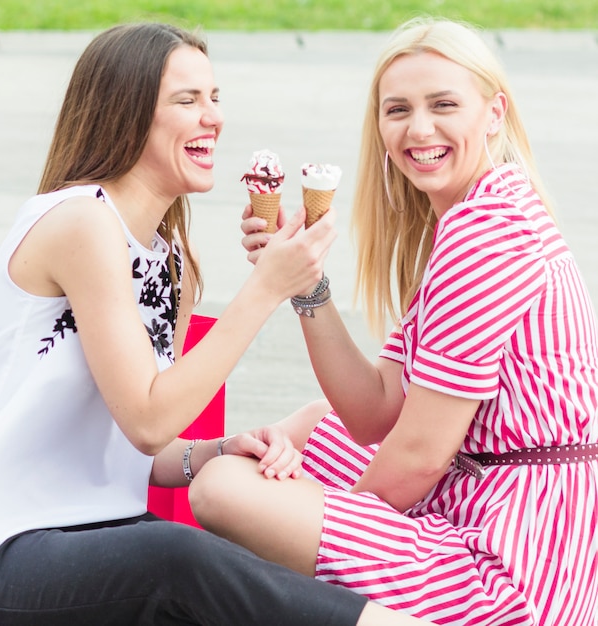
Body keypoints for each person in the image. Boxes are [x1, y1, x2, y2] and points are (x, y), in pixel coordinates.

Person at [0, 21, 435, 626]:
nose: (212, 118)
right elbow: (147, 418)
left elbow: (147, 448)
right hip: (5, 551)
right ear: (126, 113)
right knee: (176, 557)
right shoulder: (80, 221)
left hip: (102, 536)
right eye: (187, 101)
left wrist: (220, 449)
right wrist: (267, 285)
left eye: (215, 98)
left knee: (230, 537)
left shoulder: (173, 262)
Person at [190, 16, 598, 626]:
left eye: (443, 104)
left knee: (222, 490)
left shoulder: (486, 236)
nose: (419, 128)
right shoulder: (476, 215)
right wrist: (304, 280)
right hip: (483, 501)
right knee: (313, 426)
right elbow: (373, 409)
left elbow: (417, 458)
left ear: (494, 112)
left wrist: (314, 529)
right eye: (398, 109)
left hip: (516, 562)